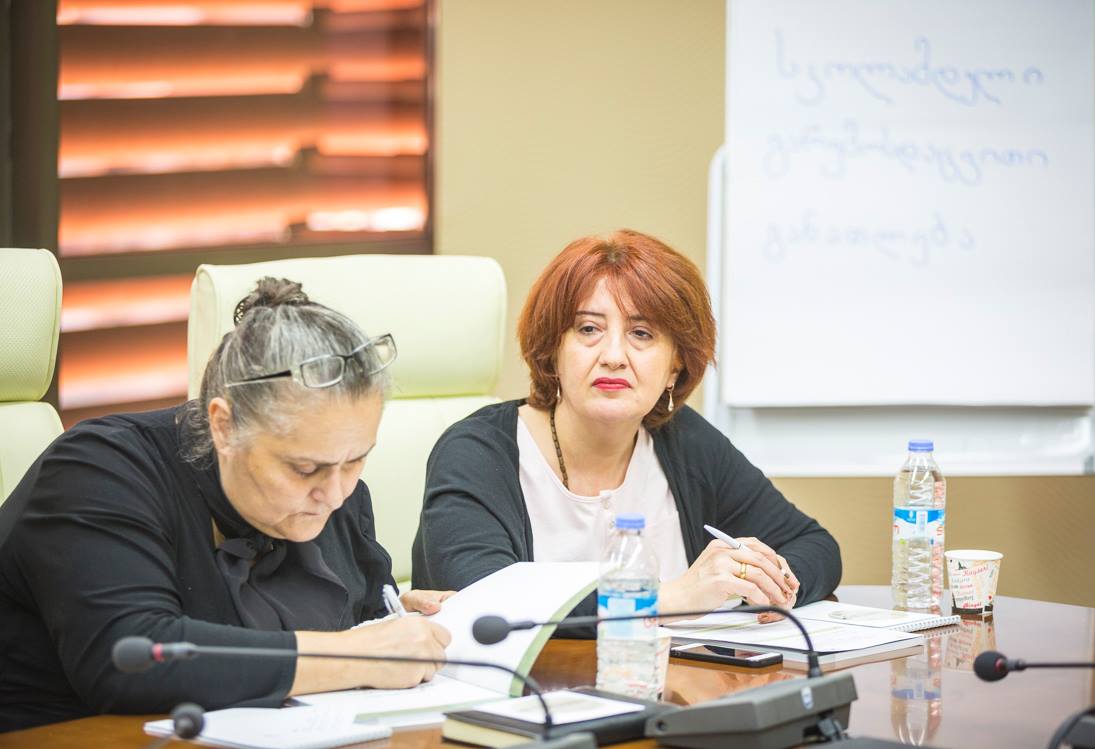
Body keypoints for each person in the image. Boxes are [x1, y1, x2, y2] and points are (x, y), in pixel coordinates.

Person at [0, 278, 453, 732]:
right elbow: (130, 659)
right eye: (303, 468)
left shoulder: (334, 488)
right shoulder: (99, 470)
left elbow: (363, 622)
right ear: (224, 425)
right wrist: (359, 654)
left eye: (356, 460)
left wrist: (403, 627)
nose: (335, 494)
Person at [412, 229, 841, 621]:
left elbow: (816, 547)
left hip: (670, 679)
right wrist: (670, 597)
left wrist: (766, 583)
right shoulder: (477, 452)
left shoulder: (684, 441)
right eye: (588, 329)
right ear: (552, 352)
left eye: (642, 334)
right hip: (525, 684)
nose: (614, 356)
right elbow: (488, 598)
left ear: (675, 365)